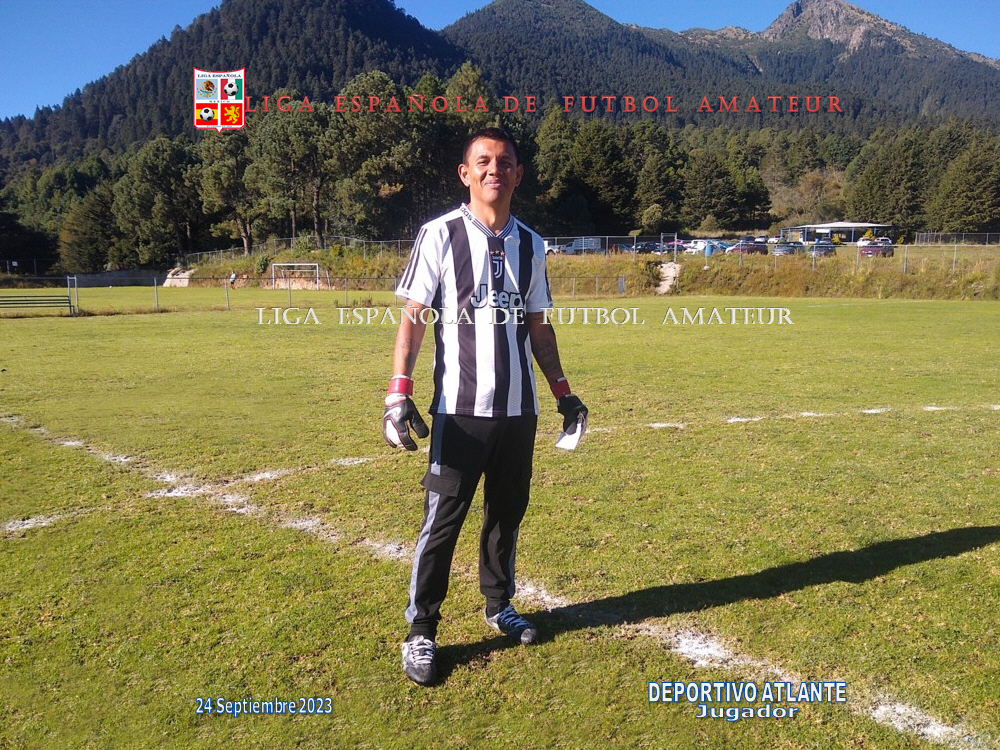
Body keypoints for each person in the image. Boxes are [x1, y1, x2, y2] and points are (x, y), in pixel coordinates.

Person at [382, 127, 587, 686]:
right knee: (442, 522)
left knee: (506, 514)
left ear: (518, 173)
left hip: (519, 412)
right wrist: (398, 390)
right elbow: (412, 318)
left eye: (504, 161)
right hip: (459, 411)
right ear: (465, 173)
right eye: (483, 161)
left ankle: (499, 606)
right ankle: (421, 631)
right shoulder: (439, 234)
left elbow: (539, 327)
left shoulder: (533, 244)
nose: (494, 169)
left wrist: (563, 392)